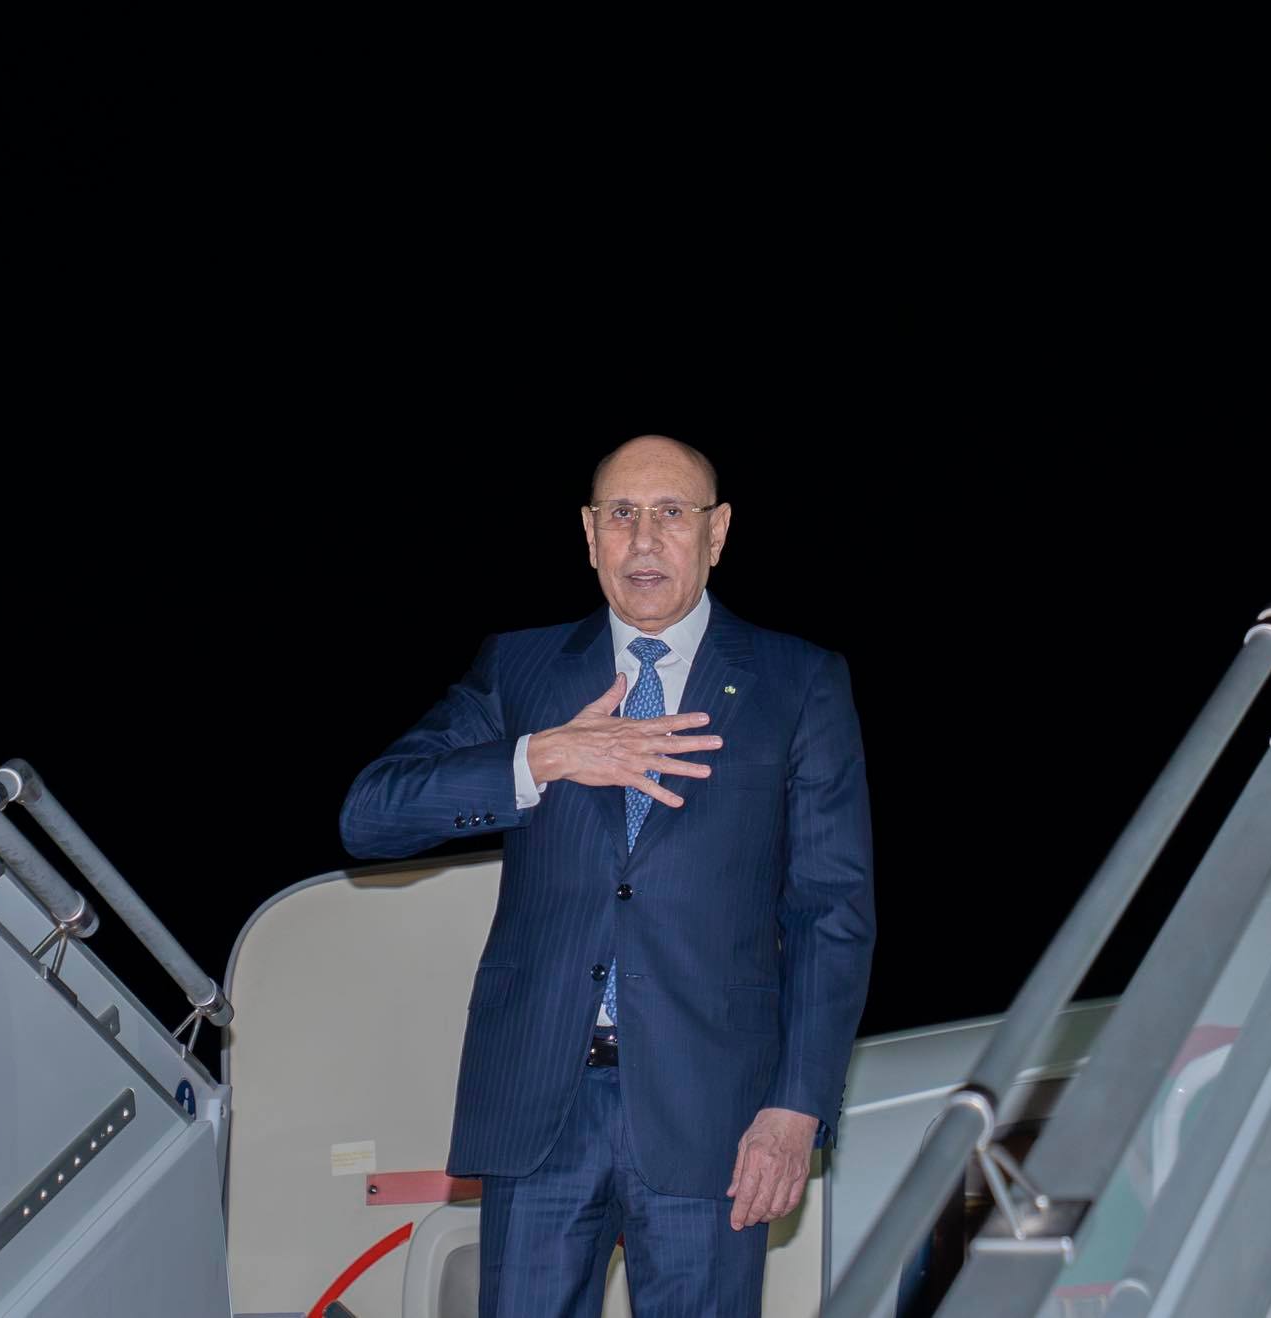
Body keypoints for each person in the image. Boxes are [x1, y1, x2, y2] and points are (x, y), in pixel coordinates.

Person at [339, 435, 875, 1317]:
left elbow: (832, 913)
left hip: (713, 1115)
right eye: (622, 514)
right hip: (539, 1109)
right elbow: (369, 816)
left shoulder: (798, 681)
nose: (645, 538)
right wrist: (542, 756)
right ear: (589, 534)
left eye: (672, 513)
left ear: (718, 532)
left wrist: (796, 1108)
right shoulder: (520, 668)